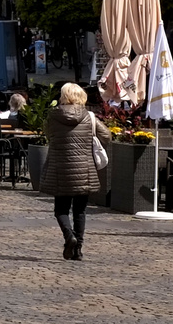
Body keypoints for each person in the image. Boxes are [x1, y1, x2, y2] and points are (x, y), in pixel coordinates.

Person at [41, 82, 112, 261]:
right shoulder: (89, 116)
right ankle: (78, 250)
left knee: (61, 210)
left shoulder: (53, 116)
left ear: (63, 96)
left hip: (60, 170)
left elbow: (48, 135)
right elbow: (107, 136)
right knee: (80, 211)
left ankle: (69, 236)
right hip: (84, 170)